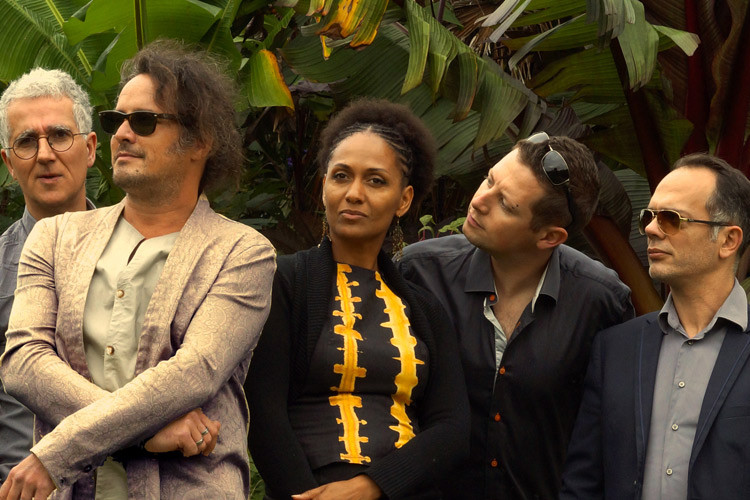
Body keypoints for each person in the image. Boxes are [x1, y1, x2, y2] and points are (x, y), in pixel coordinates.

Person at [0, 41, 275, 499]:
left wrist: (57, 452)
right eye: (116, 120)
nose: (123, 134)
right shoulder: (54, 237)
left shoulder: (241, 251)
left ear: (200, 141)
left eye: (144, 121)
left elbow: (194, 372)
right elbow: (24, 363)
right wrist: (148, 432)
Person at [246, 98, 469, 500]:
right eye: (341, 176)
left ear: (404, 200)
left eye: (376, 181)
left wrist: (372, 486)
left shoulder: (425, 309)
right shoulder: (284, 283)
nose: (354, 193)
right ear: (323, 186)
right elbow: (263, 411)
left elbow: (451, 428)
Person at [397, 133, 634, 499]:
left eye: (505, 204)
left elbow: (609, 437)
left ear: (549, 237)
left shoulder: (602, 302)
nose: (479, 200)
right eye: (489, 179)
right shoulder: (420, 272)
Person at [560, 153, 750, 500]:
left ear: (728, 240)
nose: (650, 228)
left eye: (671, 219)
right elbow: (583, 483)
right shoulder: (615, 349)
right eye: (648, 216)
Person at [0, 68, 97, 484]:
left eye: (59, 135)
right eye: (26, 141)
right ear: (8, 162)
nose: (44, 154)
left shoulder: (142, 256)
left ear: (90, 148)